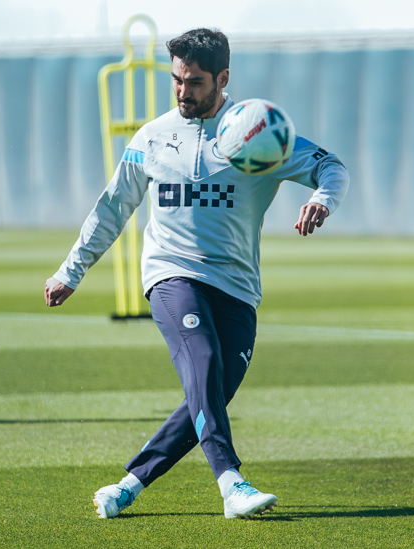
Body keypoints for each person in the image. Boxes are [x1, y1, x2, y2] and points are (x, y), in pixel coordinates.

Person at [43, 28, 349, 520]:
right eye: (177, 80)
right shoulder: (152, 137)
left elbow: (331, 166)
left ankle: (126, 486)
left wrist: (320, 198)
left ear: (223, 78)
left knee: (209, 393)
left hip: (236, 287)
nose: (183, 91)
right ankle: (232, 483)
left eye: (196, 82)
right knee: (202, 360)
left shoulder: (257, 132)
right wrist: (70, 272)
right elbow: (112, 208)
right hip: (170, 276)